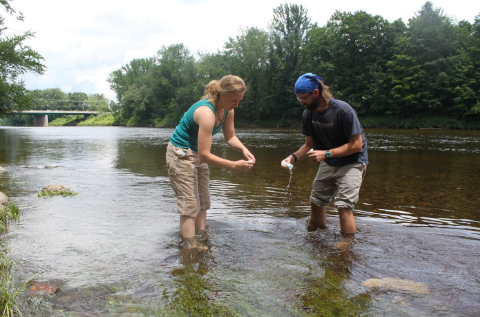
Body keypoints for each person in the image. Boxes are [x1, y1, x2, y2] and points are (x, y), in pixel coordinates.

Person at [166, 75, 255, 240]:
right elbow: (205, 155)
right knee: (190, 203)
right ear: (222, 94)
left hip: (198, 152)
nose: (237, 104)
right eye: (234, 100)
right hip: (181, 153)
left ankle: (201, 238)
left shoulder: (228, 111)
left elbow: (230, 137)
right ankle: (190, 246)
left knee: (203, 200)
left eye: (240, 100)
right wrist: (234, 165)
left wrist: (243, 149)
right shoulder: (206, 113)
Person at [281, 73, 368, 234]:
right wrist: (293, 157)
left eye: (303, 98)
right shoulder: (308, 113)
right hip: (329, 161)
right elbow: (309, 145)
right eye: (298, 98)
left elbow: (357, 145)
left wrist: (326, 154)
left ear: (316, 92)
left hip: (352, 161)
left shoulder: (343, 111)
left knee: (343, 206)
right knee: (316, 201)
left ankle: (346, 247)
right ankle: (317, 235)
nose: (301, 102)